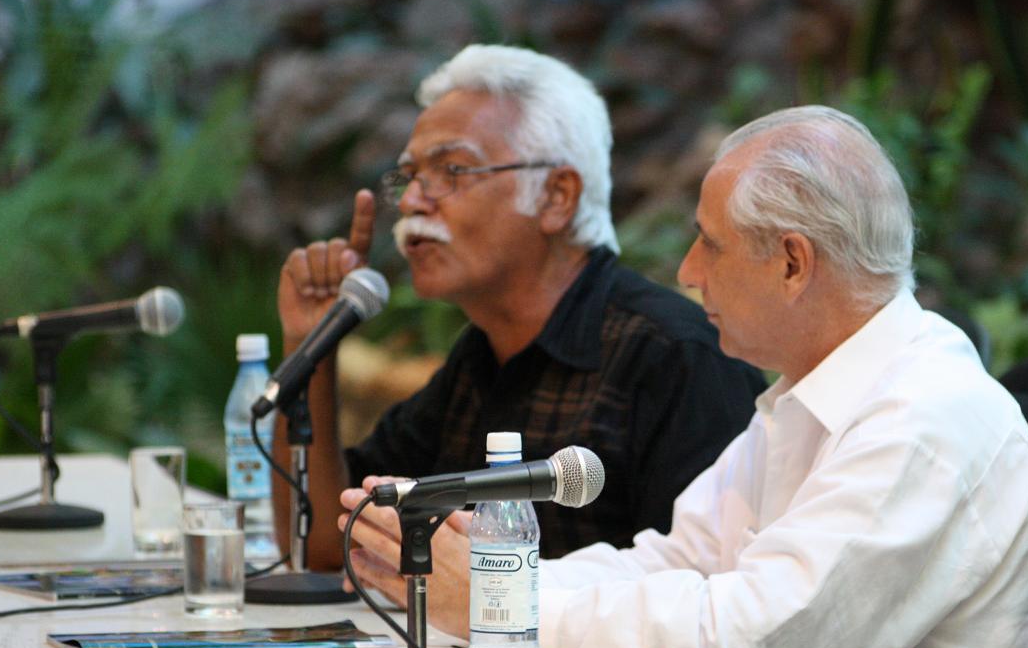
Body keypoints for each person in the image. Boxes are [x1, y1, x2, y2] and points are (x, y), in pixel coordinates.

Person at [339, 106, 1028, 648]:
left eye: (711, 243)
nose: (687, 271)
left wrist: (507, 607)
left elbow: (756, 645)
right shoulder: (811, 392)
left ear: (792, 263)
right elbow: (676, 561)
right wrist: (499, 580)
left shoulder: (927, 417)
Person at [272, 44, 765, 570]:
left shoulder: (678, 357)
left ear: (556, 197)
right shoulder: (480, 359)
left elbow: (709, 587)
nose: (413, 201)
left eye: (451, 169)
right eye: (409, 177)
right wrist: (311, 345)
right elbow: (324, 543)